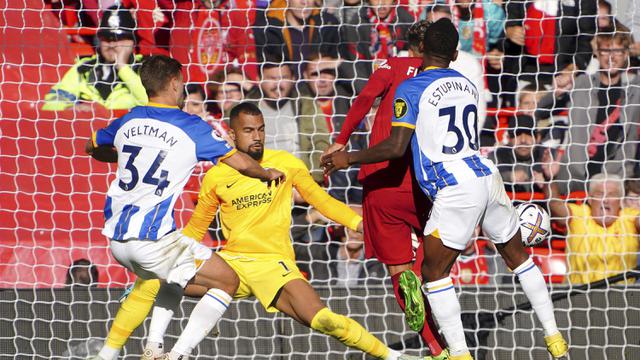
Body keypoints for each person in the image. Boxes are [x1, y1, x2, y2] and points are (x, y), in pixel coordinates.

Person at [322, 19, 568, 360]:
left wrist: (348, 157)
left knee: (432, 273)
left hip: (452, 187)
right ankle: (554, 337)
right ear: (454, 53)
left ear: (422, 51)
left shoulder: (412, 87)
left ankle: (458, 352)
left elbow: (395, 146)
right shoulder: (466, 83)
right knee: (518, 259)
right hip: (486, 175)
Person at [110, 103, 433, 360]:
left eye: (261, 129)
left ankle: (394, 356)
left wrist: (363, 226)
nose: (257, 137)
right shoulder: (216, 177)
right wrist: (154, 265)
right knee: (156, 279)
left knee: (323, 320)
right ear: (232, 136)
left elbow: (323, 202)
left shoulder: (287, 164)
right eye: (248, 131)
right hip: (231, 263)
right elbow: (195, 229)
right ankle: (132, 351)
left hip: (274, 266)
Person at [86, 55, 285, 360]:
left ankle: (144, 350)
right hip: (152, 242)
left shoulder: (130, 118)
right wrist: (267, 173)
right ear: (175, 82)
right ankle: (179, 355)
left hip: (117, 242)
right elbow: (242, 163)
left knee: (174, 275)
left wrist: (118, 157)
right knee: (227, 281)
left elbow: (92, 145)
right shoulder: (192, 126)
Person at [322, 20, 447, 358]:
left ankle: (437, 349)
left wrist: (340, 141)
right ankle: (423, 278)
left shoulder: (390, 66)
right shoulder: (440, 81)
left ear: (410, 45)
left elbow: (363, 99)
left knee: (397, 269)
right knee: (440, 247)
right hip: (419, 180)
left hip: (378, 180)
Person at [536, 26, 640, 191]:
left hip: (614, 178)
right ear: (597, 54)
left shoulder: (635, 89)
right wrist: (556, 93)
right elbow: (540, 112)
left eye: (617, 51)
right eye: (605, 51)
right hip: (574, 175)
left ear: (626, 54)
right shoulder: (582, 83)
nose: (611, 57)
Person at [540, 157, 640, 285]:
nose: (605, 200)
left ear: (620, 201)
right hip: (577, 295)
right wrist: (550, 178)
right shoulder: (579, 215)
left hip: (620, 298)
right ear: (590, 200)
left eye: (611, 195)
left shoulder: (629, 218)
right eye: (600, 194)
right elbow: (554, 204)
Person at [43, 6, 148, 111]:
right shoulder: (84, 68)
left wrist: (123, 68)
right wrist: (71, 108)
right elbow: (52, 101)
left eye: (118, 39)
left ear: (131, 42)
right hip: (88, 126)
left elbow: (149, 102)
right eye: (107, 39)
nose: (111, 44)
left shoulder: (144, 68)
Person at [246, 59, 330, 183]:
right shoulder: (244, 110)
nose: (278, 84)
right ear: (259, 79)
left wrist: (312, 182)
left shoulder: (307, 105)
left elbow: (321, 143)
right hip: (260, 187)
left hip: (300, 183)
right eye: (271, 78)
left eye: (283, 77)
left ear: (293, 78)